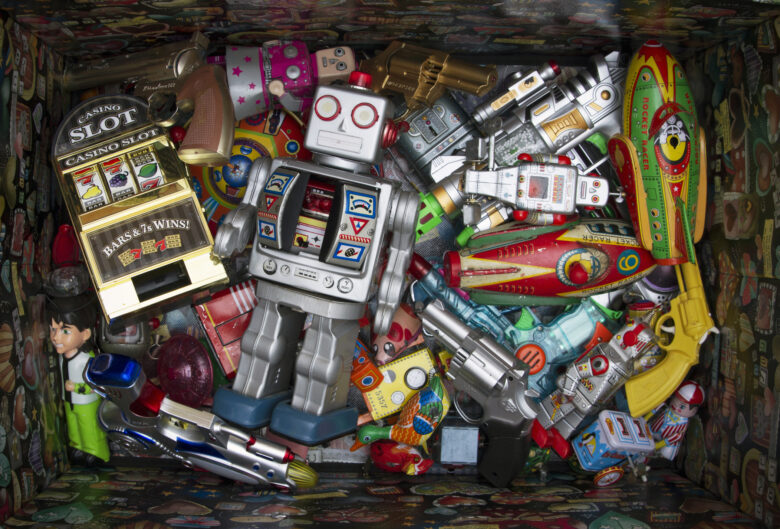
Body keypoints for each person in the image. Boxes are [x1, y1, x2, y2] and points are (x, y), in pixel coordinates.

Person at [47, 293, 110, 465]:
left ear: (85, 333)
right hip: (69, 401)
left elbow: (96, 385)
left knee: (88, 427)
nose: (56, 337)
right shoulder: (62, 357)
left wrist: (76, 388)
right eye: (53, 329)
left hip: (86, 403)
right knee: (73, 427)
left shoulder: (87, 360)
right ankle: (78, 448)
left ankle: (95, 452)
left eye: (65, 331)